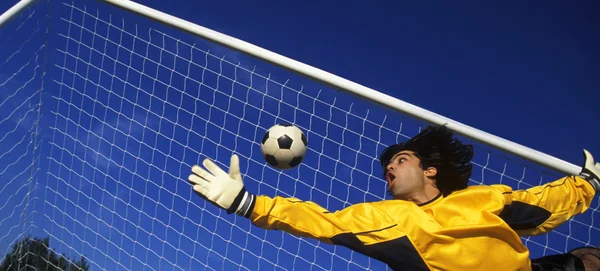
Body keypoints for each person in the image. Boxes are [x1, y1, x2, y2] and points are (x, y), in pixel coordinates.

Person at [188, 124, 600, 271]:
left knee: (589, 257)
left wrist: (587, 185)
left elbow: (541, 206)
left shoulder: (481, 199)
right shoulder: (388, 220)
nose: (389, 169)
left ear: (430, 170)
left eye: (400, 160)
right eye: (387, 166)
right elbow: (321, 221)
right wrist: (247, 202)